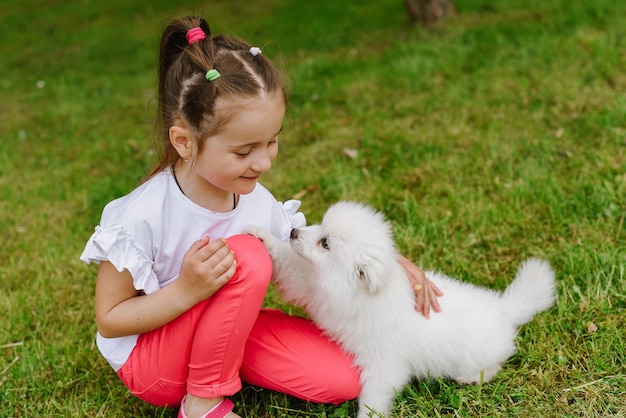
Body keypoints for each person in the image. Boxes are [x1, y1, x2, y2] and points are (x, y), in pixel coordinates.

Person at [80, 16, 442, 418]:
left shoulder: (256, 200)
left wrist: (386, 264)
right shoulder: (143, 215)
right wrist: (184, 290)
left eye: (272, 141)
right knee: (248, 256)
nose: (265, 161)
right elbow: (110, 320)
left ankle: (219, 365)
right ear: (184, 142)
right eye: (244, 151)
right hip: (155, 363)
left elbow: (311, 254)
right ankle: (203, 403)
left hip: (226, 334)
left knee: (344, 379)